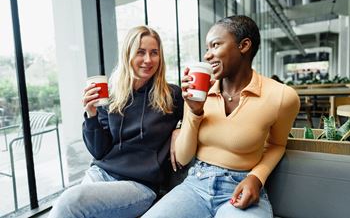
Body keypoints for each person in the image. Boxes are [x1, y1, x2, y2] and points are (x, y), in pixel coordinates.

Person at [142, 15, 300, 218]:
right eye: (207, 48)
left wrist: (256, 178)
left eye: (215, 45)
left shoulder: (282, 97)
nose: (207, 55)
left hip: (240, 186)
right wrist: (194, 111)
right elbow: (182, 157)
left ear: (244, 46)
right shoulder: (199, 92)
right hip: (195, 185)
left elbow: (277, 145)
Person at [48, 26, 183, 218]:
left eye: (154, 53)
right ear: (127, 55)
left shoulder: (171, 95)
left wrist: (179, 127)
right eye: (140, 52)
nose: (148, 60)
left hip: (139, 184)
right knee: (67, 209)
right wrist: (91, 114)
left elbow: (197, 116)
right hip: (101, 173)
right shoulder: (110, 96)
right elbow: (98, 151)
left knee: (70, 203)